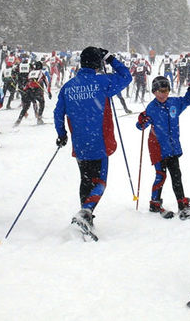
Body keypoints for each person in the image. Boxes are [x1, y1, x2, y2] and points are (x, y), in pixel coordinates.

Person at [53, 46, 132, 238]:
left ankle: (85, 217)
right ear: (98, 63)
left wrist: (62, 134)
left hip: (80, 142)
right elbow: (126, 76)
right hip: (100, 141)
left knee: (85, 179)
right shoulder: (102, 81)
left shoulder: (68, 86)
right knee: (100, 182)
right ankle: (85, 212)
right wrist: (111, 58)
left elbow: (57, 113)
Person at [136, 76, 190, 219]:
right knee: (161, 175)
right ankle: (155, 203)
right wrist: (141, 120)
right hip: (158, 146)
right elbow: (141, 126)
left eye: (166, 91)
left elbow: (186, 100)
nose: (164, 94)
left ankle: (182, 204)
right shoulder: (152, 107)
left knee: (176, 175)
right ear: (154, 92)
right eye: (160, 91)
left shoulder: (174, 103)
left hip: (172, 147)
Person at [14, 61, 51, 127]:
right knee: (42, 102)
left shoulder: (30, 73)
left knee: (26, 107)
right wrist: (49, 92)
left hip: (28, 91)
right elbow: (46, 83)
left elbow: (27, 82)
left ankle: (18, 121)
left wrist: (24, 91)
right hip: (36, 90)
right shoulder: (41, 73)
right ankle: (39, 118)